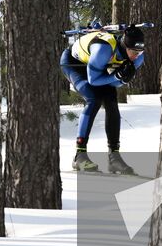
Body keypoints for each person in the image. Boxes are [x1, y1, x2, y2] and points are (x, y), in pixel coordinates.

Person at [60, 23, 146, 174]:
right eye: (133, 51)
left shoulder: (138, 58)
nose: (136, 55)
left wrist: (122, 79)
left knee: (111, 101)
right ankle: (79, 155)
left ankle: (114, 157)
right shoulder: (103, 49)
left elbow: (114, 84)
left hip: (97, 68)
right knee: (94, 99)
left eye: (139, 51)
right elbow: (93, 81)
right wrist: (117, 76)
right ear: (125, 46)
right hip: (74, 64)